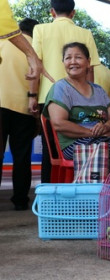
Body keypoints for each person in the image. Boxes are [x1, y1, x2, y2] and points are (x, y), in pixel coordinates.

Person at [42, 42, 110, 171]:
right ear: (63, 63)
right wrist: (93, 133)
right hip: (74, 143)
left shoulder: (98, 90)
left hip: (103, 138)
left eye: (78, 57)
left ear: (88, 62)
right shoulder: (60, 88)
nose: (73, 62)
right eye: (68, 58)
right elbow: (59, 124)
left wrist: (105, 127)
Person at [29, 0, 101, 183]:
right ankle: (79, 190)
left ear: (52, 12)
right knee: (83, 145)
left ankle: (49, 194)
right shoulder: (85, 33)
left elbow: (35, 66)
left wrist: (32, 96)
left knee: (51, 151)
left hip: (50, 99)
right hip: (80, 100)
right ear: (73, 13)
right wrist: (89, 99)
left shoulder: (40, 30)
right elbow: (90, 69)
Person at [0, 18, 39, 211]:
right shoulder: (35, 47)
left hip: (0, 103)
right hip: (25, 107)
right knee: (22, 156)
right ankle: (21, 201)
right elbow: (37, 75)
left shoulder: (3, 42)